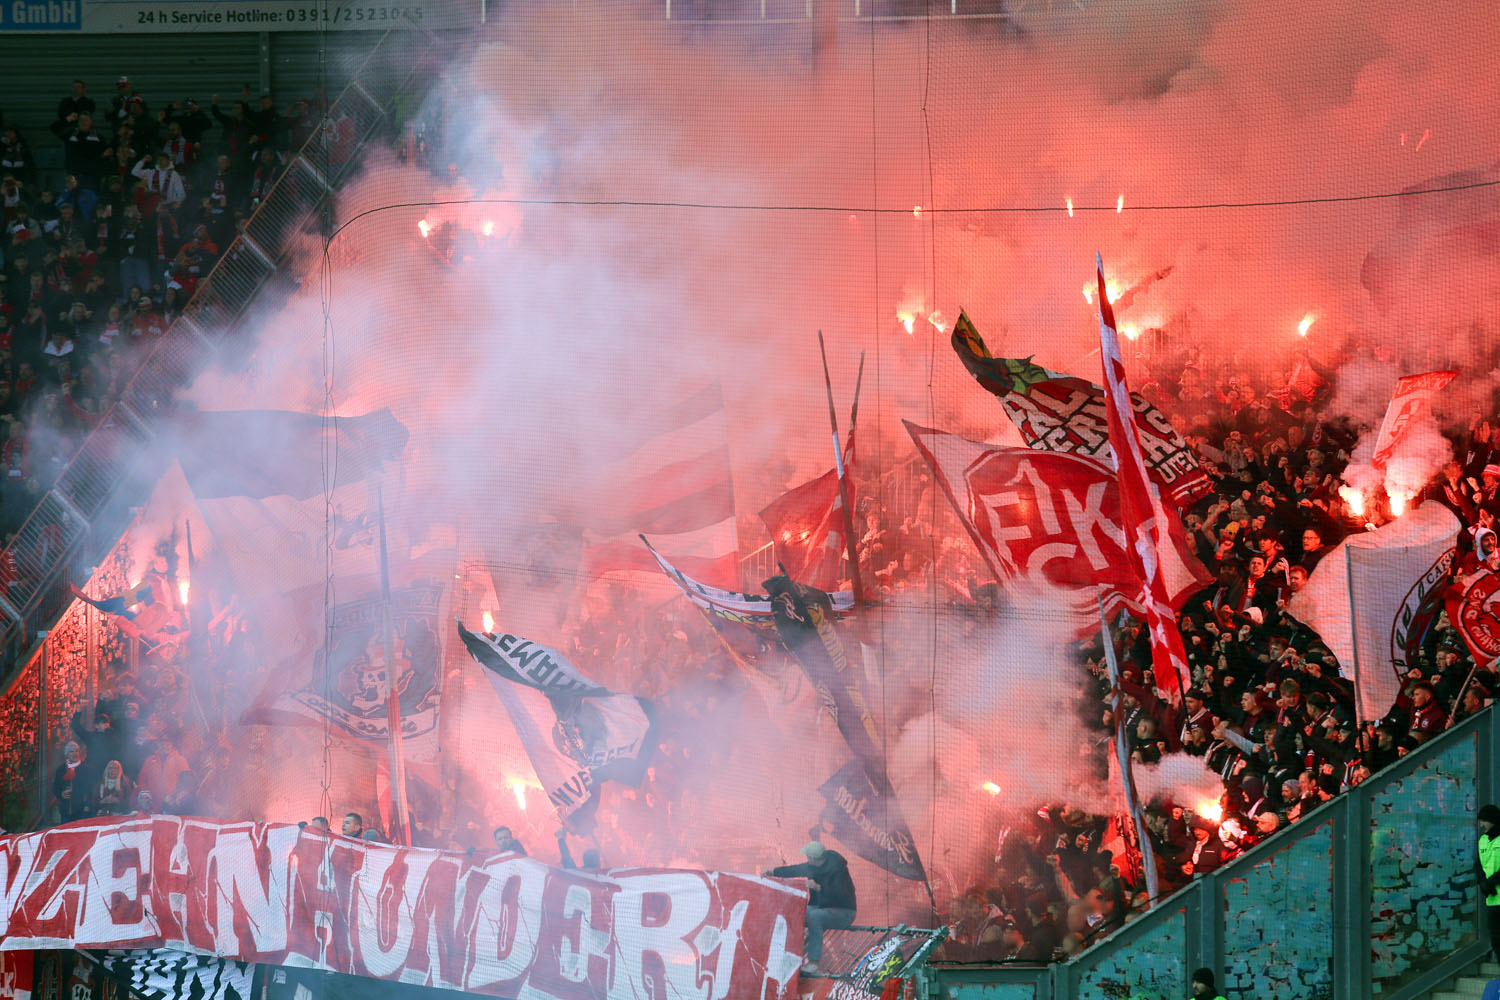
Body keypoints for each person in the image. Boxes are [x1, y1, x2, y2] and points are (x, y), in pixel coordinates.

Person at [763, 841, 856, 975]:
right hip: (823, 908)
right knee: (799, 913)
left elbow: (841, 895)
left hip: (844, 913)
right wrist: (773, 872)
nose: (806, 859)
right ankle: (791, 954)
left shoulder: (838, 870)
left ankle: (813, 962)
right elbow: (795, 869)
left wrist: (818, 888)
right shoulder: (813, 866)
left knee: (814, 916)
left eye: (807, 856)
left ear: (813, 858)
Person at [1479, 804, 1500, 964]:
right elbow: (1478, 865)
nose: (1482, 824)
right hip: (1492, 899)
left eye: (1484, 820)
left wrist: (1491, 881)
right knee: (1496, 939)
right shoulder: (1483, 841)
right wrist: (1483, 884)